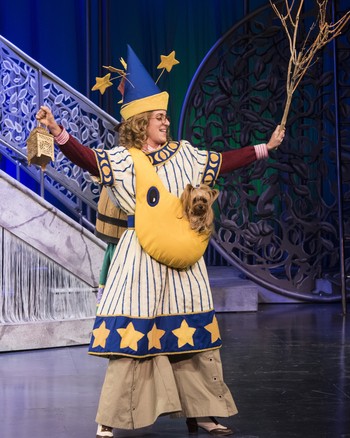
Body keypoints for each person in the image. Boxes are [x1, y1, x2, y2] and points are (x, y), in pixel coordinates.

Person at [36, 45, 285, 438]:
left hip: (182, 259)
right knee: (134, 338)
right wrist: (57, 132)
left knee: (194, 337)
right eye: (158, 118)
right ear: (140, 123)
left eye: (166, 117)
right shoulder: (124, 160)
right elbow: (87, 159)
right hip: (140, 258)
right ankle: (111, 418)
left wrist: (263, 149)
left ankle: (203, 412)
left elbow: (222, 162)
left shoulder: (186, 155)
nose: (166, 123)